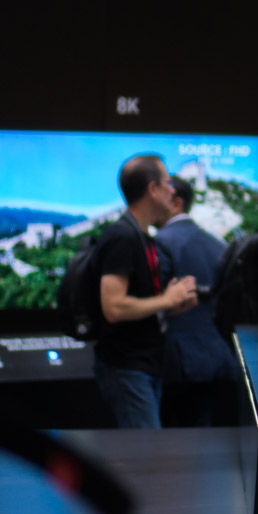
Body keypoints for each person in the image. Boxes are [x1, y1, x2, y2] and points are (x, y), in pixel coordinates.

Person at [93, 155, 198, 428]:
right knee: (147, 449)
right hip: (127, 366)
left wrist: (172, 303)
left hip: (144, 364)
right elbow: (114, 307)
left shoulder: (142, 235)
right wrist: (166, 299)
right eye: (167, 183)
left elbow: (138, 301)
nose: (172, 190)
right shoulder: (122, 236)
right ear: (152, 189)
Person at [155, 176, 243, 425]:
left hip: (180, 363)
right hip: (222, 357)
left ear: (176, 202)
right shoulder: (218, 243)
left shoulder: (161, 242)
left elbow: (159, 301)